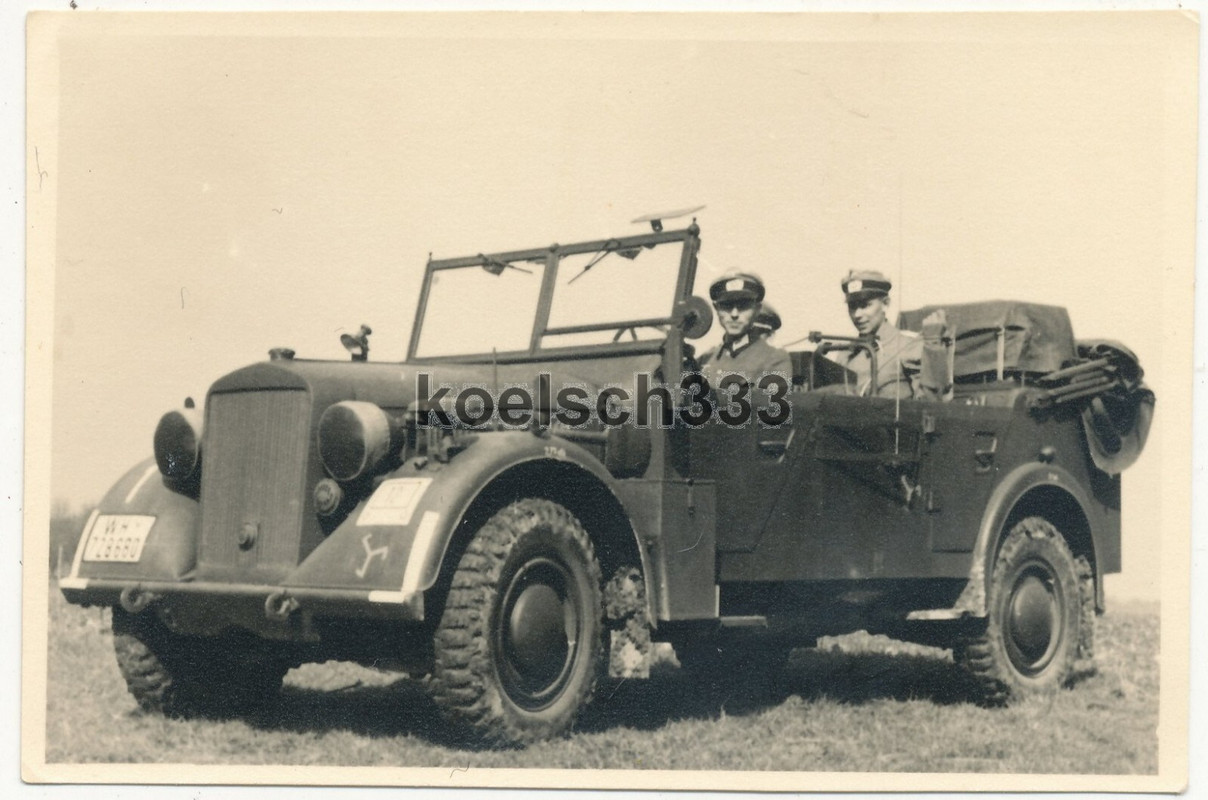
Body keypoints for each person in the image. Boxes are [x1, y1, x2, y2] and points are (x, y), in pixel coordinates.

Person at [699, 272, 791, 394]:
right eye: (726, 305)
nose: (734, 314)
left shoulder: (774, 359)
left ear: (757, 309)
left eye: (743, 306)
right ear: (716, 308)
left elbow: (770, 404)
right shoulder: (706, 359)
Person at [839, 270, 923, 398]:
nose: (857, 314)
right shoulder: (846, 355)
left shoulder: (909, 346)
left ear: (885, 304)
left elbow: (930, 402)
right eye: (852, 306)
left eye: (865, 305)